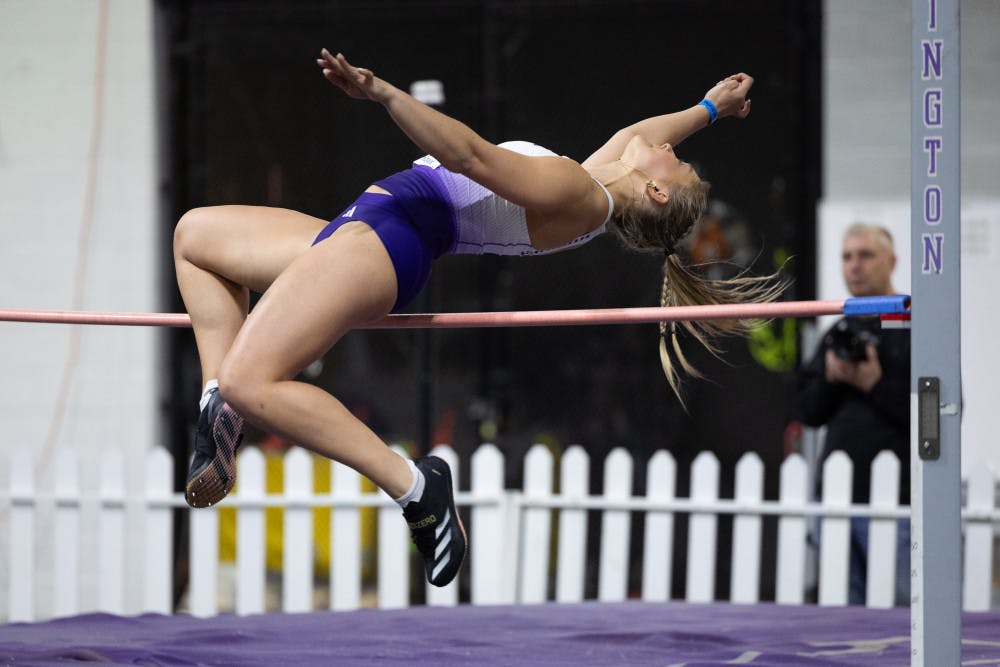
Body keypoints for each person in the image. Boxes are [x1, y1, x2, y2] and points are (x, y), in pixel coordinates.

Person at [174, 48, 783, 588]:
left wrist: (383, 94)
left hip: (391, 242)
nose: (670, 148)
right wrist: (710, 108)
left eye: (678, 163)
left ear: (656, 191)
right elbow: (640, 134)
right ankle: (216, 405)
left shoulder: (575, 191)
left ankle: (415, 487)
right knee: (195, 237)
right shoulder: (593, 182)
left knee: (251, 380)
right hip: (370, 222)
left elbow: (467, 155)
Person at [796, 223, 910, 605]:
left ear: (892, 261)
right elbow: (808, 412)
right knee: (841, 621)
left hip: (899, 505)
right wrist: (832, 379)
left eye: (866, 255)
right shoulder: (839, 332)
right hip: (835, 500)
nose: (855, 266)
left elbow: (940, 414)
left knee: (901, 617)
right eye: (847, 257)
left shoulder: (917, 327)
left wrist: (875, 385)